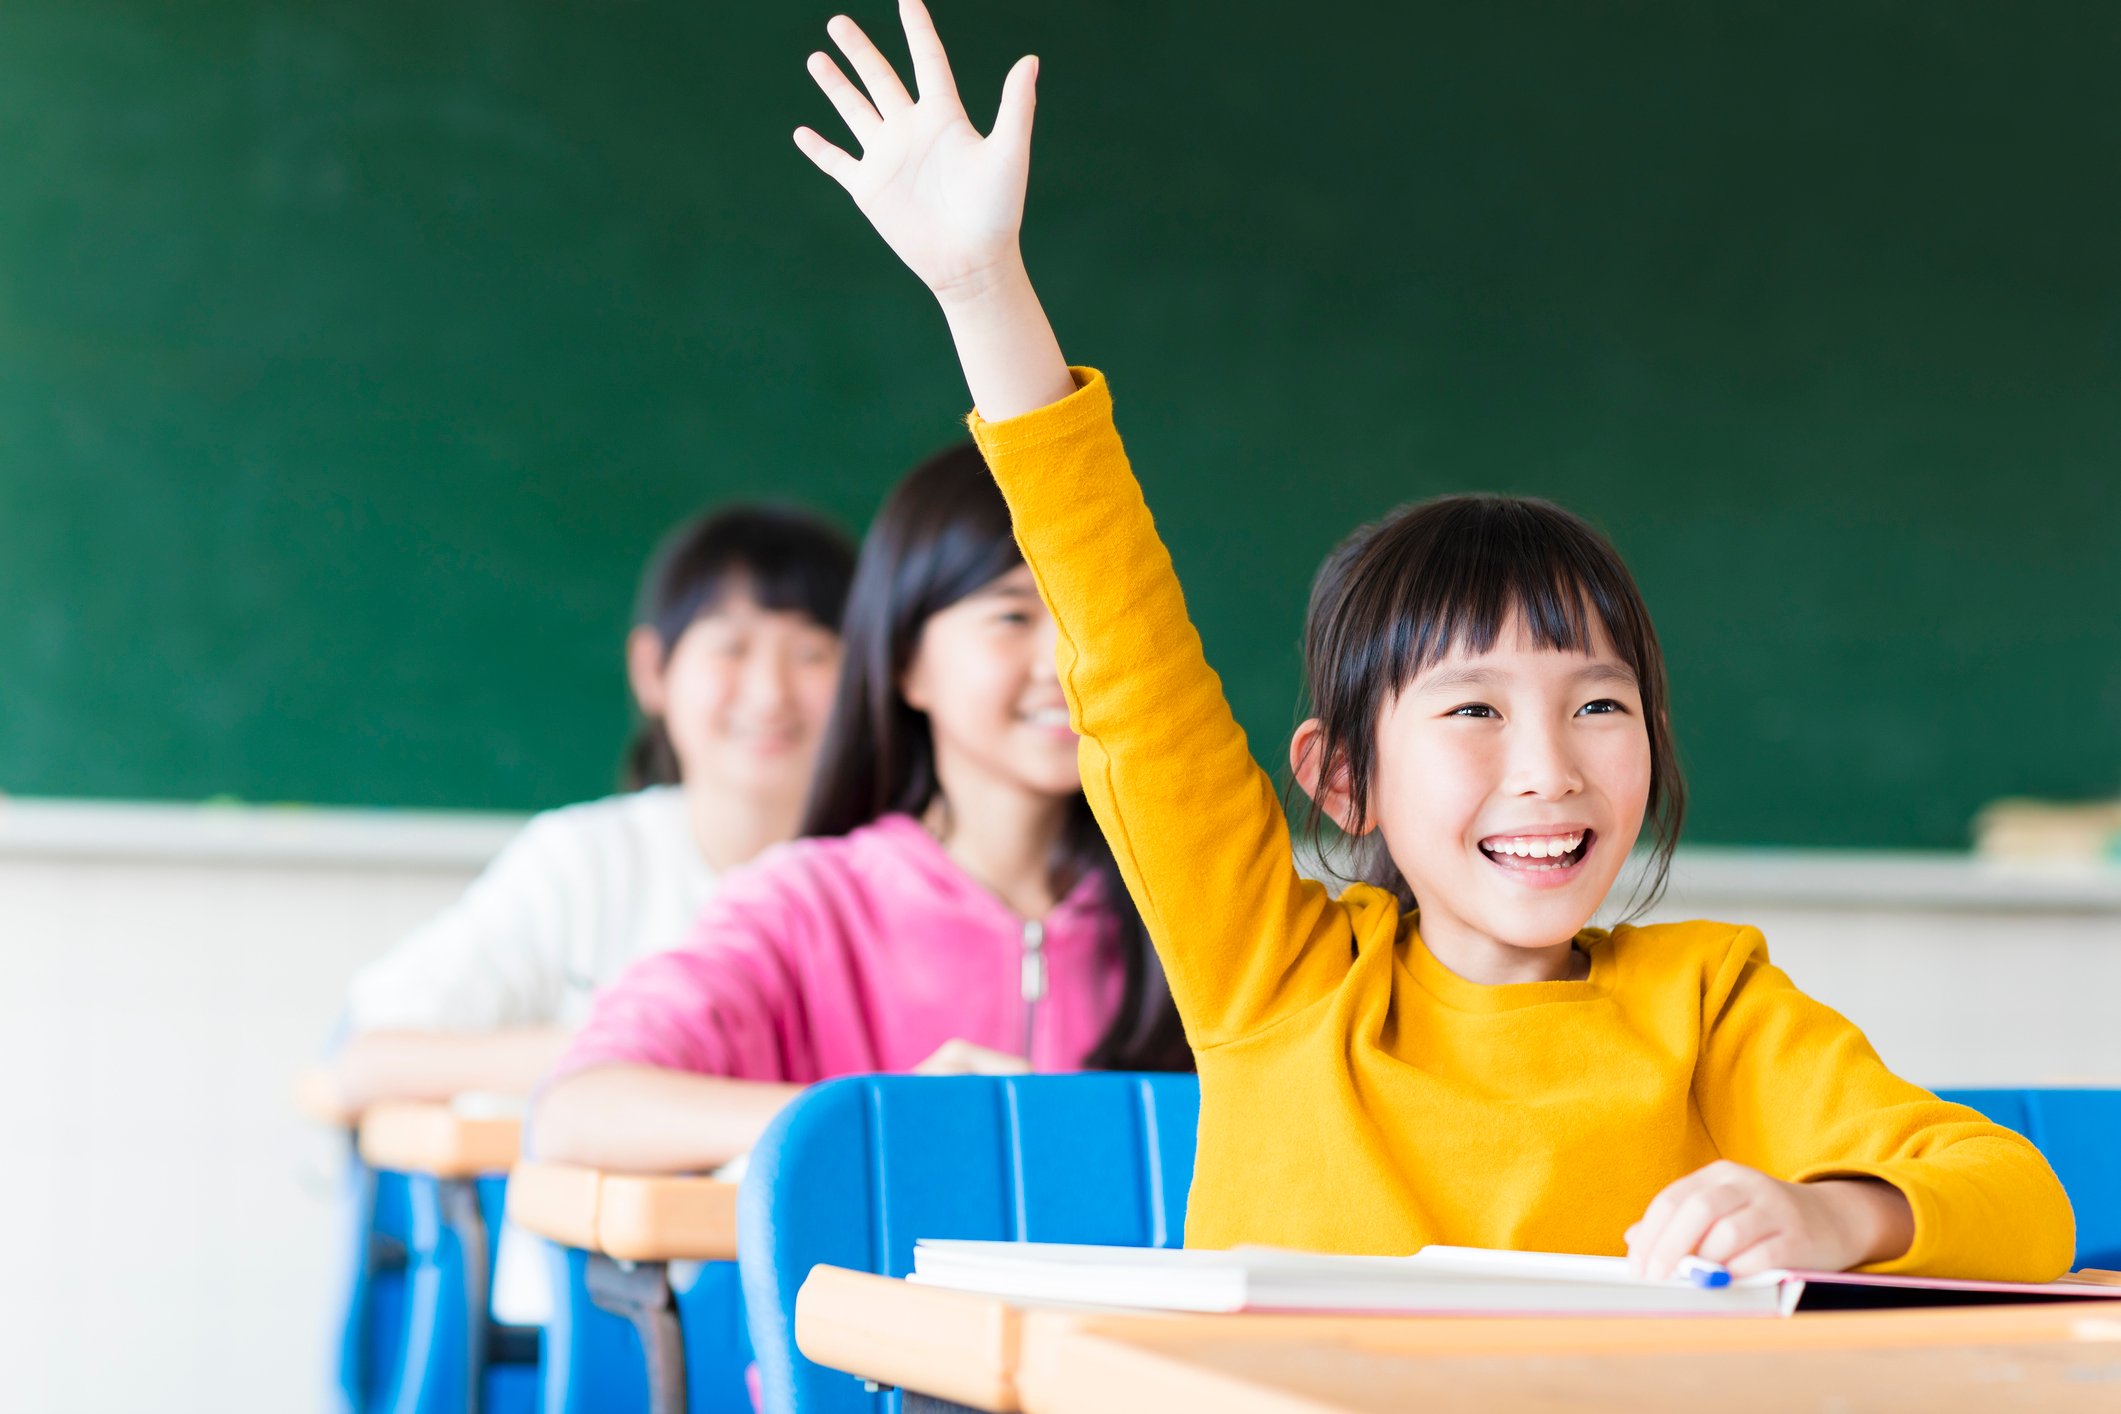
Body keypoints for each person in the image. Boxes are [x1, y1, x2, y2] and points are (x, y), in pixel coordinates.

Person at [785, 0, 2074, 1281]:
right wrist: (980, 285)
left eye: (1598, 705)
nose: (1548, 767)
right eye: (1473, 710)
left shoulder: (1710, 999)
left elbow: (2015, 1198)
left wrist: (1832, 1216)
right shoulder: (1276, 972)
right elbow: (1124, 645)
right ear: (1342, 776)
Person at [532, 443, 1190, 1173]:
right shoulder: (806, 905)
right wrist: (873, 1114)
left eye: (1093, 618)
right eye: (1012, 616)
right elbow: (576, 1111)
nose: (1069, 661)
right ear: (906, 661)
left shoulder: (1187, 916)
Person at [328, 505, 854, 1109]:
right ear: (653, 670)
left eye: (812, 654)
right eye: (731, 647)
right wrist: (631, 1052)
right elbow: (365, 1062)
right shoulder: (587, 861)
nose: (769, 693)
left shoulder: (894, 877)